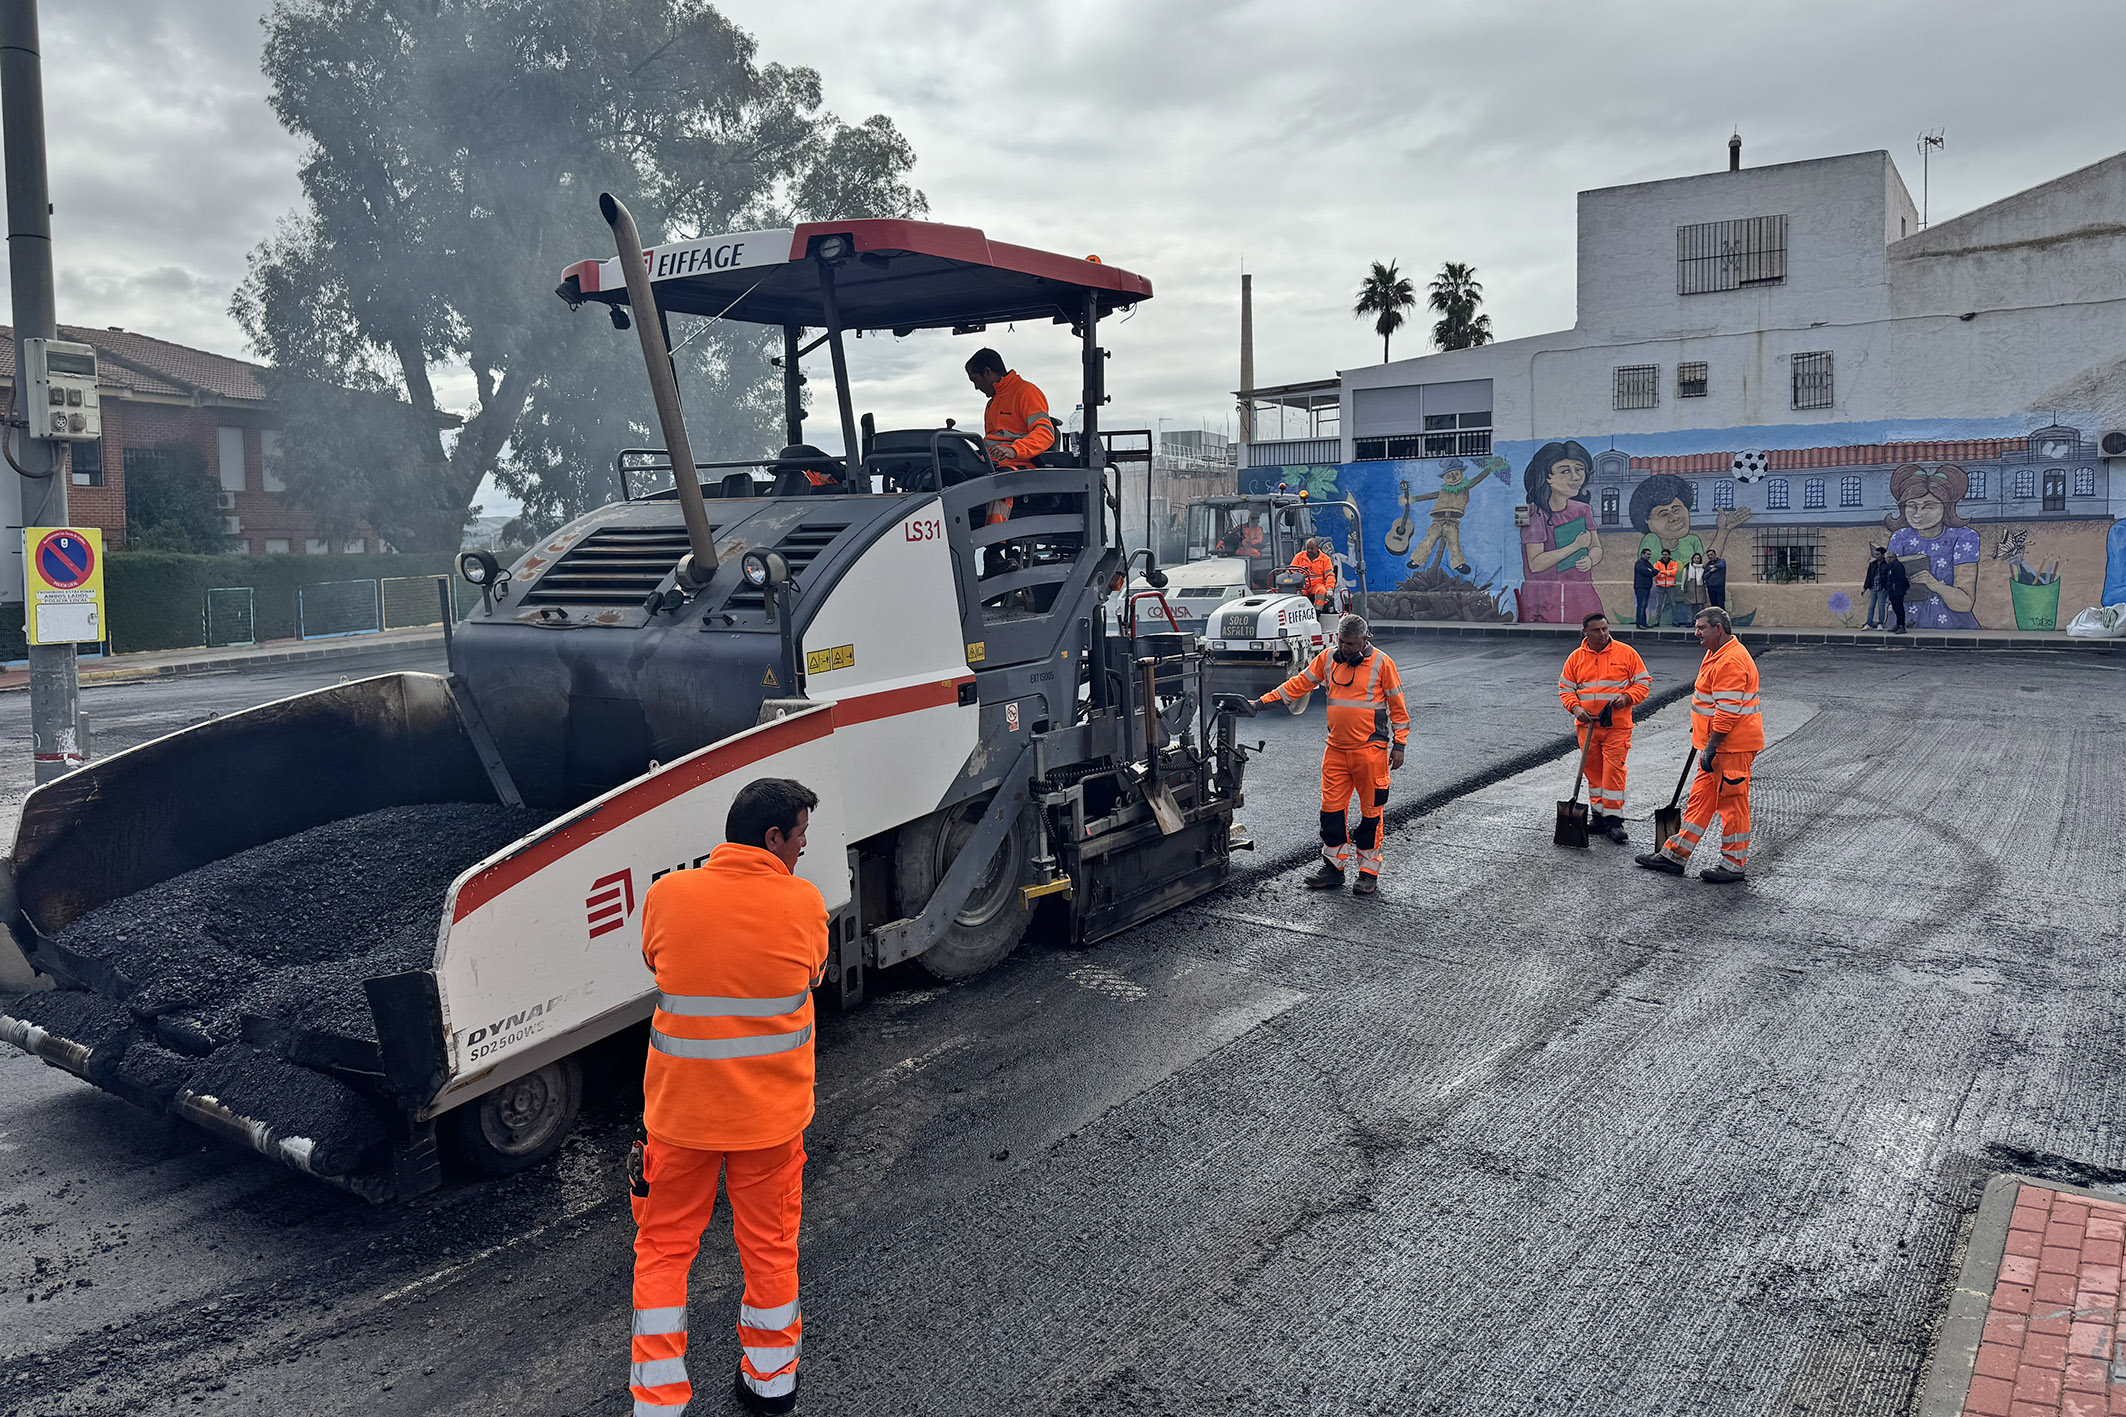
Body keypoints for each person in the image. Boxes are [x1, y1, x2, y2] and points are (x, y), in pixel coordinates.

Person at [630, 778, 830, 1417]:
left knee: (663, 1251)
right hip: (770, 1124)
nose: (802, 848)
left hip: (679, 1119)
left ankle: (658, 1402)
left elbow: (658, 965)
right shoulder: (804, 904)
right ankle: (771, 1384)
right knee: (770, 1249)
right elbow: (812, 975)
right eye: (800, 835)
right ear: (773, 838)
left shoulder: (667, 896)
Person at [1249, 614, 1409, 896]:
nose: (1345, 649)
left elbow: (1398, 706)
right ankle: (1333, 870)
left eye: (1351, 644)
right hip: (1336, 750)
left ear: (1365, 639)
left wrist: (1400, 745)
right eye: (1341, 642)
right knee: (1331, 813)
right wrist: (1260, 703)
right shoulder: (1326, 659)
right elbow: (1298, 684)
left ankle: (1368, 874)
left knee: (1371, 816)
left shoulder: (1383, 663)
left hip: (1370, 752)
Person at [1636, 606, 1762, 884]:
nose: (1696, 633)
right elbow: (1712, 702)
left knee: (1733, 805)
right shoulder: (1716, 653)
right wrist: (1704, 731)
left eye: (1701, 628)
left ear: (1719, 629)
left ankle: (1733, 865)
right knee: (1700, 801)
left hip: (1731, 748)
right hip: (1717, 745)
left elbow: (1727, 710)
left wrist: (1713, 742)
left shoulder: (1731, 661)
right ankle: (1674, 855)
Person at [1557, 613, 1652, 843]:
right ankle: (1599, 817)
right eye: (1596, 630)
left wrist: (1627, 697)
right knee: (1593, 773)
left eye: (1605, 629)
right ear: (1585, 633)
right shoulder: (1576, 658)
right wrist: (1575, 708)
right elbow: (1566, 688)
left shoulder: (1626, 653)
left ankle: (1614, 820)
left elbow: (1643, 683)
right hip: (1587, 726)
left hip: (1616, 725)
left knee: (1613, 772)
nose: (1602, 634)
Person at [964, 347, 1055, 526]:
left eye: (975, 380)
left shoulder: (1026, 393)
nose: (976, 387)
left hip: (1020, 465)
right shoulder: (992, 404)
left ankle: (995, 540)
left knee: (998, 483)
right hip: (991, 462)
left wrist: (1014, 450)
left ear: (987, 372)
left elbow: (1045, 433)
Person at [1884, 463, 1981, 630]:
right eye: (1911, 506)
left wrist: (1934, 585)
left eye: (1928, 506)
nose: (1917, 514)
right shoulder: (1900, 537)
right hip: (1904, 620)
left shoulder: (1964, 537)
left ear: (1946, 506)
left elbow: (1965, 603)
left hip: (1951, 624)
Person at [1517, 443, 1604, 623]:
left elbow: (1596, 546)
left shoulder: (1583, 510)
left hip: (1582, 594)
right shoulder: (1535, 514)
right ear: (1546, 477)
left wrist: (1591, 559)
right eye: (1565, 471)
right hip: (1545, 596)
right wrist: (1575, 546)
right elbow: (1536, 564)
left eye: (1579, 469)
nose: (1575, 477)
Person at [1407, 455, 1500, 578]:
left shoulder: (1464, 487)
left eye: (1456, 474)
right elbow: (1430, 495)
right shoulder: (1443, 491)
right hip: (1438, 521)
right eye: (1449, 475)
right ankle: (1417, 560)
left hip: (1452, 522)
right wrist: (1413, 499)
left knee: (1454, 543)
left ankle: (1458, 564)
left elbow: (1477, 479)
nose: (1453, 478)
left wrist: (1490, 468)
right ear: (1445, 478)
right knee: (1429, 540)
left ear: (1461, 473)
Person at [1291, 536, 1336, 611]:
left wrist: (1330, 589)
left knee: (1322, 591)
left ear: (1317, 548)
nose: (1309, 550)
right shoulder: (1299, 557)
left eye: (1312, 548)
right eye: (1307, 548)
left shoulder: (1325, 559)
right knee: (1296, 592)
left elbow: (1330, 576)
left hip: (1317, 585)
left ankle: (1317, 611)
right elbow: (1292, 571)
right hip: (1303, 586)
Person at [1882, 550, 1910, 633]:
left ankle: (1901, 626)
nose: (1885, 560)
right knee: (1896, 608)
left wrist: (1899, 587)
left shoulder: (1897, 566)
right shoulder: (1889, 567)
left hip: (1897, 590)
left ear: (1891, 558)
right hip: (1892, 590)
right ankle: (1898, 624)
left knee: (1899, 608)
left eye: (1886, 558)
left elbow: (1901, 578)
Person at [1862, 547, 1890, 630]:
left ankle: (1880, 623)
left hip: (1882, 588)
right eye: (1875, 554)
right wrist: (1865, 588)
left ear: (1883, 555)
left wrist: (1886, 587)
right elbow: (1868, 576)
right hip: (1873, 587)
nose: (1876, 556)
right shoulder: (1873, 564)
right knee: (1871, 606)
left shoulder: (1886, 564)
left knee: (1881, 606)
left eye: (1878, 554)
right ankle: (1869, 623)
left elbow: (1888, 577)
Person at [1650, 550, 1679, 626]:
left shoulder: (1673, 563)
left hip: (1671, 586)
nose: (1664, 556)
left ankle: (1675, 621)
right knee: (1659, 604)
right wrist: (1668, 573)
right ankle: (1657, 621)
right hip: (1660, 586)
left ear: (1669, 555)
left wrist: (1662, 572)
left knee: (1673, 604)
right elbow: (1656, 573)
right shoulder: (1657, 563)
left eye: (1666, 554)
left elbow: (1674, 572)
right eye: (1663, 554)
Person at [1632, 548, 1655, 628]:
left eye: (1650, 554)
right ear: (1642, 554)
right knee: (1641, 606)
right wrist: (1650, 571)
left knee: (1644, 606)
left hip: (1646, 587)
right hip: (1641, 587)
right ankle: (1639, 623)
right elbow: (1646, 572)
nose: (1649, 556)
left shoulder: (1648, 563)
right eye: (1647, 554)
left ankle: (1644, 623)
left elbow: (1654, 572)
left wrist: (1651, 571)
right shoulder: (1639, 563)